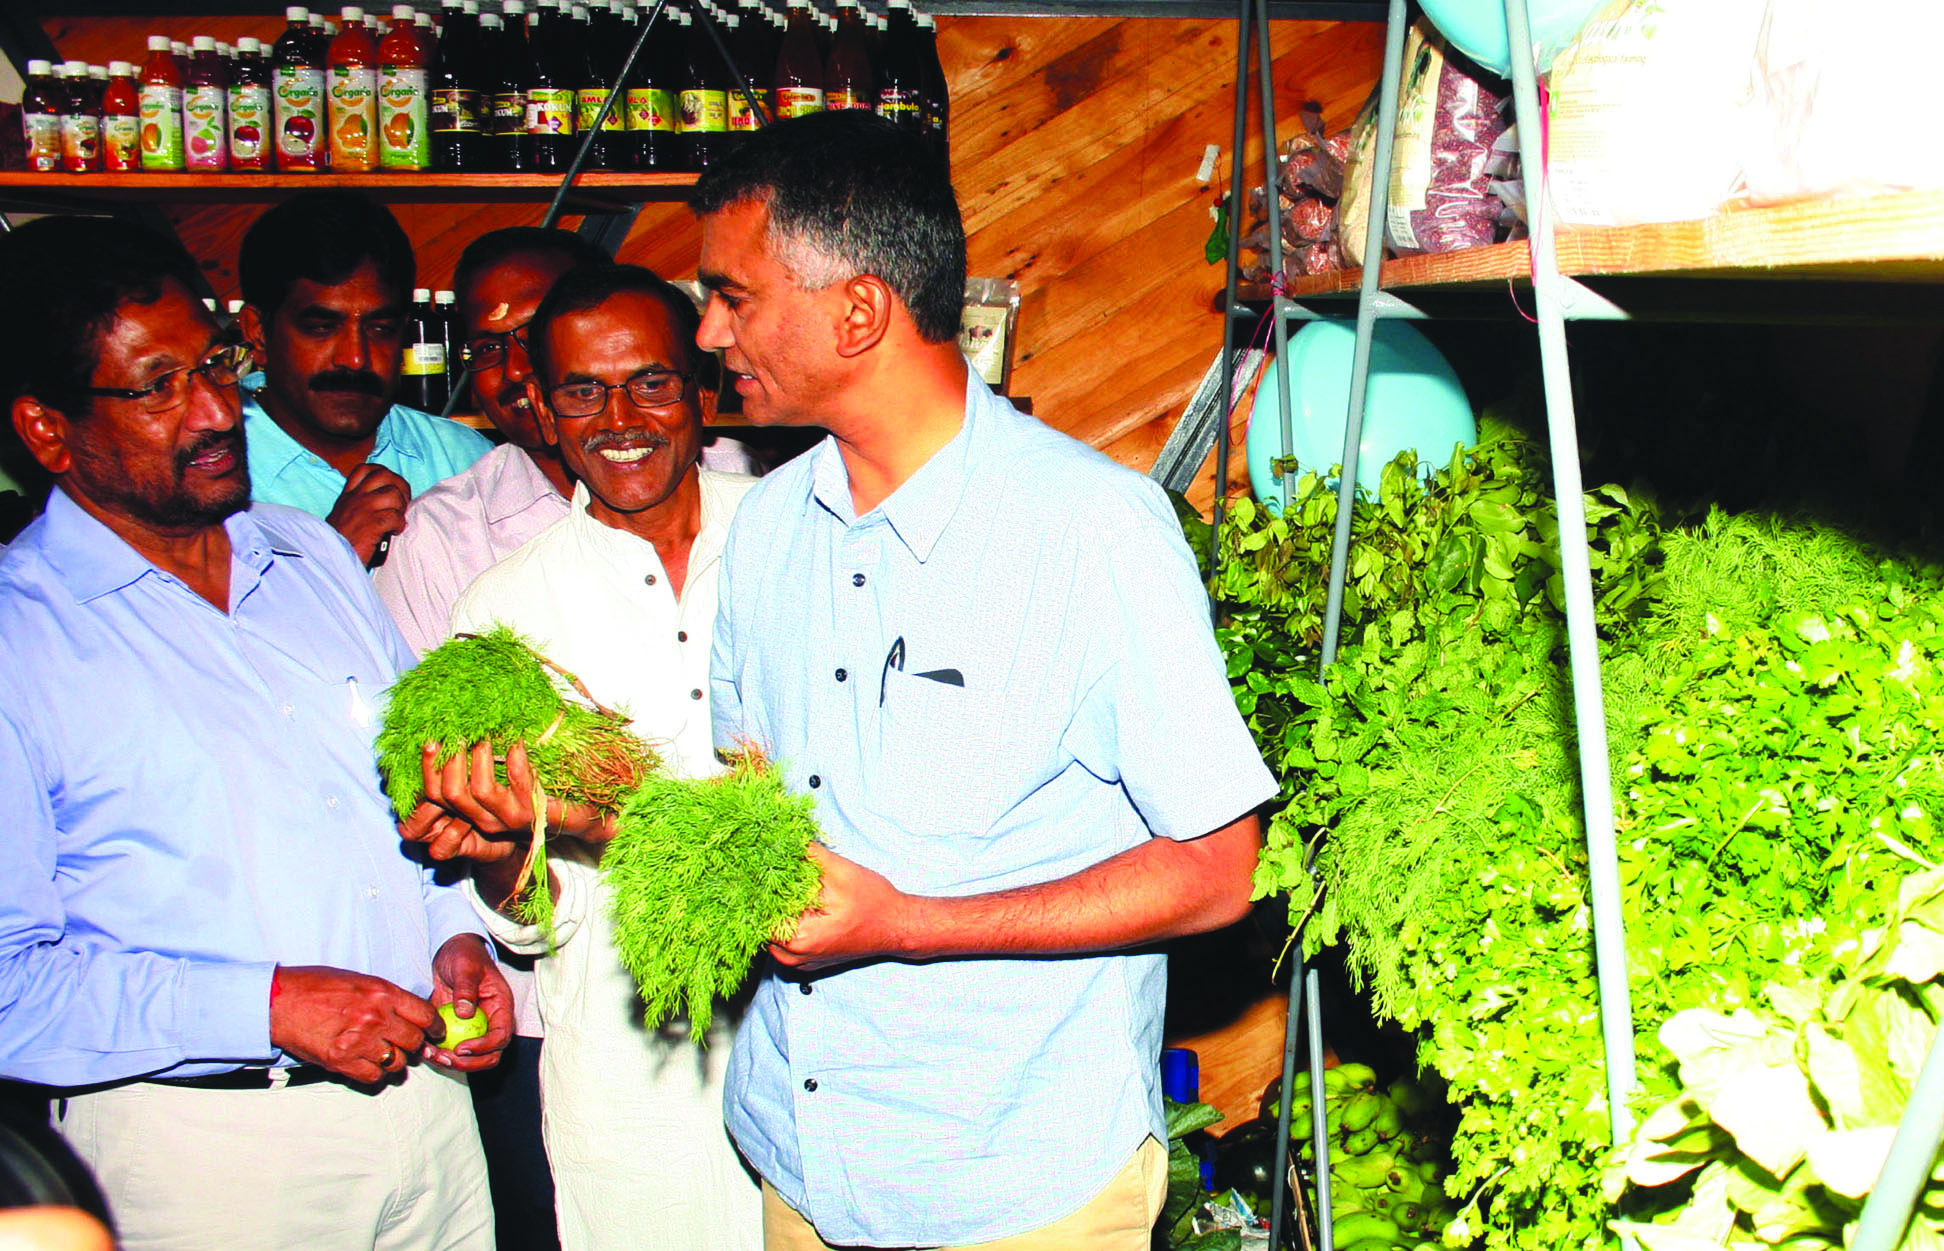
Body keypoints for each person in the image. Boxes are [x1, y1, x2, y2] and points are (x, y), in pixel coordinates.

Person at [692, 110, 1278, 1250]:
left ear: (858, 310)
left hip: (1017, 1188)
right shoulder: (766, 526)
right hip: (799, 1167)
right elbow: (749, 787)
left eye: (732, 296)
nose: (709, 332)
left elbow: (1219, 870)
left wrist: (909, 924)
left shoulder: (1092, 530)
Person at [0, 215, 512, 1250]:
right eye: (158, 387)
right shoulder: (23, 639)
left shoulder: (310, 558)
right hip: (204, 1155)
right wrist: (266, 1008)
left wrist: (451, 937)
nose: (217, 410)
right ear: (49, 430)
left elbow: (405, 798)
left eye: (216, 364)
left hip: (426, 1114)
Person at [398, 263, 762, 1251]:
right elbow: (532, 926)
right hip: (632, 1076)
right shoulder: (502, 612)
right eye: (583, 391)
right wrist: (498, 849)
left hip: (825, 1046)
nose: (620, 419)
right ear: (544, 411)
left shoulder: (798, 538)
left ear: (702, 389)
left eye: (651, 382)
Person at [373, 226, 610, 657]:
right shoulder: (437, 539)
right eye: (487, 348)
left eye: (535, 335)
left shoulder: (725, 480)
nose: (515, 369)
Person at [237, 190, 492, 566]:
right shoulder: (207, 475)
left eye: (380, 329)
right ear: (257, 332)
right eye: (321, 328)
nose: (355, 359)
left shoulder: (464, 460)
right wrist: (335, 553)